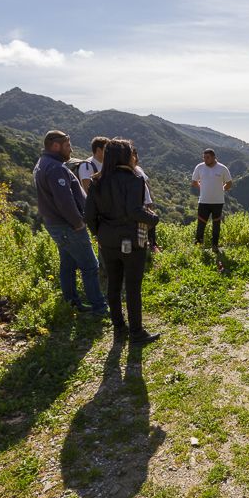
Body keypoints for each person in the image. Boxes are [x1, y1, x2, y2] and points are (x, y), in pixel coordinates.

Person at [84, 138, 160, 344]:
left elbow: (89, 215)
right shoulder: (134, 179)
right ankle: (137, 332)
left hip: (107, 241)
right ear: (125, 156)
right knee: (133, 287)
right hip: (132, 240)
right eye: (132, 153)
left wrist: (100, 234)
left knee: (113, 285)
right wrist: (154, 219)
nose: (134, 157)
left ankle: (119, 328)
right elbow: (134, 211)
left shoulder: (97, 180)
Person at [33, 130, 108, 315]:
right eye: (68, 146)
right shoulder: (56, 168)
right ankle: (99, 307)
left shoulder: (43, 164)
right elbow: (64, 200)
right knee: (90, 266)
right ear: (56, 146)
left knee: (67, 265)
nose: (71, 150)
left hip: (56, 224)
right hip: (68, 226)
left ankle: (72, 303)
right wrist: (78, 223)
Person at [191, 148, 232, 251]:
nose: (205, 159)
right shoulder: (199, 167)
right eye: (204, 157)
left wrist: (222, 189)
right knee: (201, 225)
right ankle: (198, 247)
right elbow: (194, 182)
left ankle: (215, 246)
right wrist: (202, 187)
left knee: (216, 225)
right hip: (203, 202)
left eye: (207, 157)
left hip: (218, 202)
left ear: (214, 157)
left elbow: (229, 183)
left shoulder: (222, 168)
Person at [132, 147, 160, 253]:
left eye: (136, 154)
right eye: (133, 155)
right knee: (142, 226)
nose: (136, 157)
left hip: (147, 202)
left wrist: (150, 199)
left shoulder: (138, 169)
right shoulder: (130, 171)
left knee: (150, 225)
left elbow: (147, 184)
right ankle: (144, 248)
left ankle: (152, 245)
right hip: (140, 204)